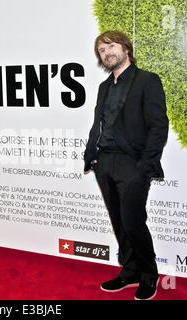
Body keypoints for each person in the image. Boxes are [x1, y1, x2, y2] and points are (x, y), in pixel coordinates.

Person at [84, 30, 169, 300]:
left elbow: (158, 126)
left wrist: (146, 165)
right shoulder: (104, 86)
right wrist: (91, 155)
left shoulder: (147, 81)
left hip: (133, 164)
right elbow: (99, 123)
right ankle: (130, 270)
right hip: (105, 162)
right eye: (101, 50)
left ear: (125, 48)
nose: (106, 53)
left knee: (134, 222)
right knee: (119, 222)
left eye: (110, 46)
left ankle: (148, 275)